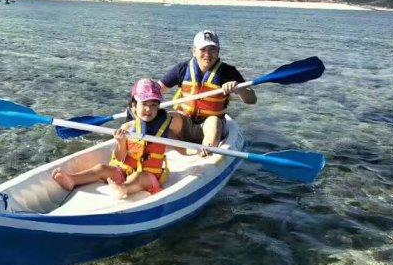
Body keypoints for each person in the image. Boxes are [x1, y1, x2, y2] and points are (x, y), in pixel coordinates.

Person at [52, 79, 182, 199]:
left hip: (149, 177)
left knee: (139, 176)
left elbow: (181, 144)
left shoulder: (164, 128)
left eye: (154, 105)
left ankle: (123, 188)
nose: (149, 109)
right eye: (144, 104)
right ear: (134, 105)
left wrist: (194, 150)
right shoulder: (127, 127)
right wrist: (121, 142)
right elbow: (119, 158)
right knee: (101, 168)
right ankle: (72, 179)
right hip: (124, 172)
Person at [159, 29, 257, 152]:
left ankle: (206, 152)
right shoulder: (182, 69)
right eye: (203, 49)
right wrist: (142, 105)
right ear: (194, 51)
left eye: (212, 49)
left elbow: (251, 100)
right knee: (166, 117)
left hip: (212, 126)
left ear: (218, 51)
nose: (208, 54)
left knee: (213, 121)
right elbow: (157, 90)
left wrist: (239, 88)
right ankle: (176, 151)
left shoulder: (228, 72)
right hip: (186, 123)